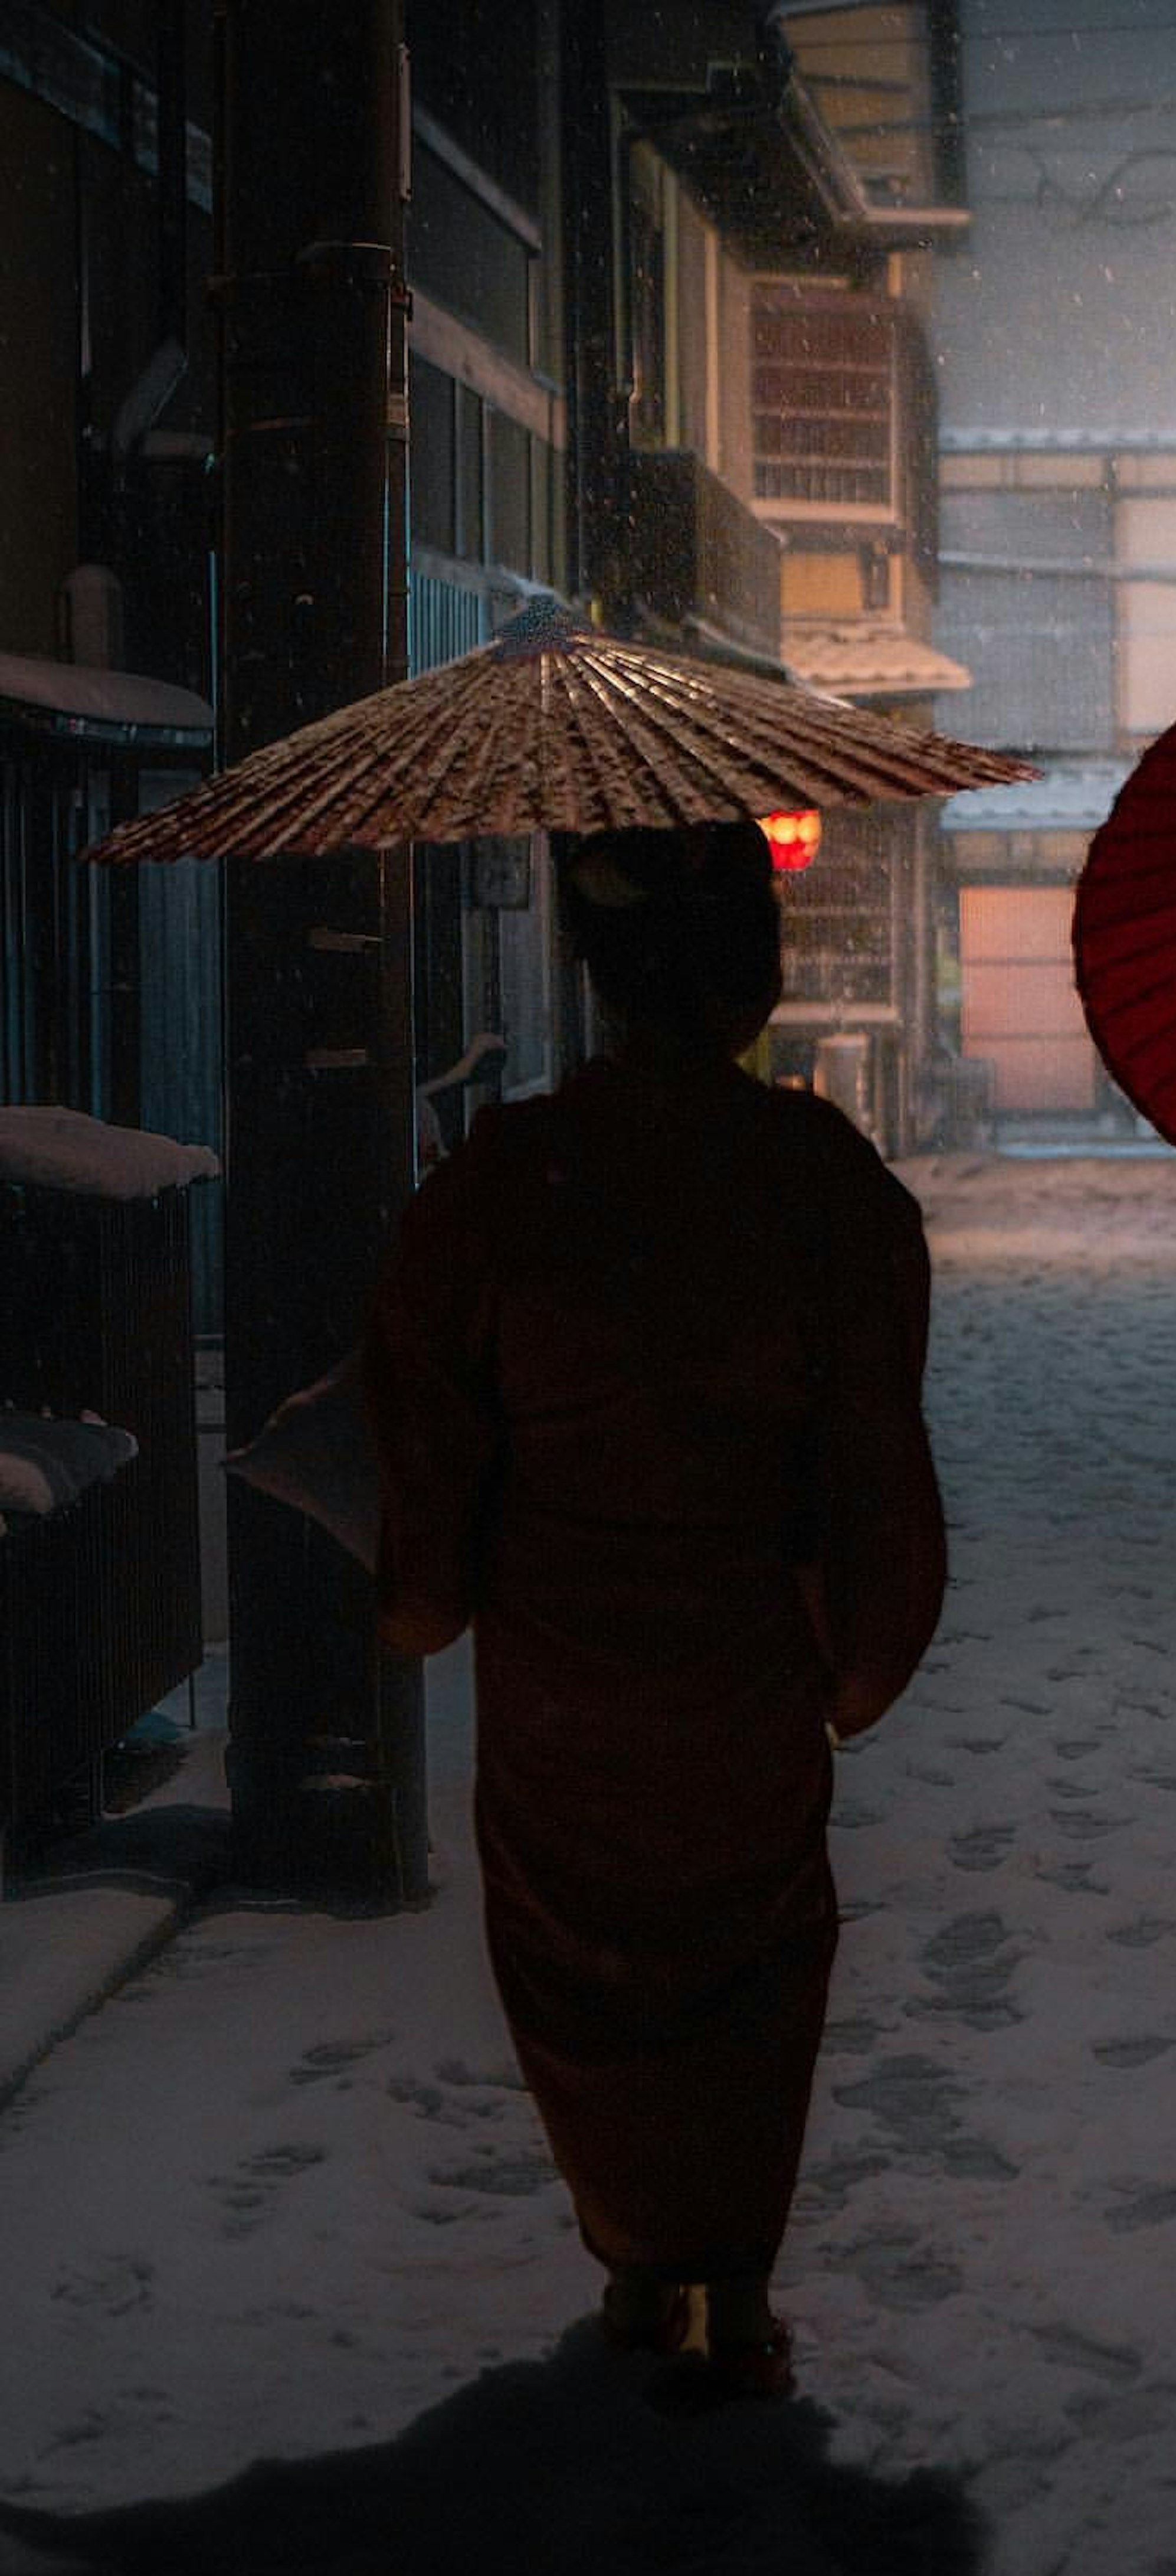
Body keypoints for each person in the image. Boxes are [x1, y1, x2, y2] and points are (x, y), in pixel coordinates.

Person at [361, 821, 945, 2402]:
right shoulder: (820, 1182)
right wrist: (863, 1653)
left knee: (582, 1969)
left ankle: (634, 2259)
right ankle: (738, 2273)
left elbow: (427, 1439)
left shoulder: (504, 1183)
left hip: (563, 1675)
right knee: (752, 1965)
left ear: (594, 976)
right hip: (748, 1659)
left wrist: (421, 1591)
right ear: (757, 985)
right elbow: (875, 1455)